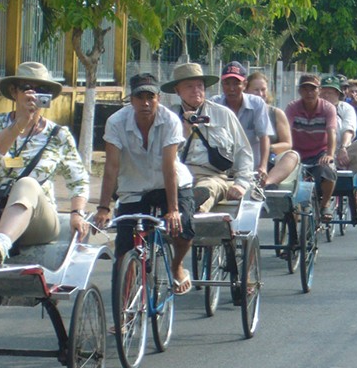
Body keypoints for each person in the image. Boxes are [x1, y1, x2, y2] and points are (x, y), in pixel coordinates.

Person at [0, 62, 90, 265]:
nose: (34, 94)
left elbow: (79, 179)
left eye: (42, 90)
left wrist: (77, 213)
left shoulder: (59, 135)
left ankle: (2, 243)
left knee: (27, 184)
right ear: (14, 92)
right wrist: (20, 123)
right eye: (28, 88)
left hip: (36, 219)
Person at [94, 73, 197, 295]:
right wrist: (104, 208)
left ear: (158, 98)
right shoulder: (116, 122)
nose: (146, 103)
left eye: (150, 97)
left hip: (171, 184)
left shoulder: (170, 120)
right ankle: (123, 314)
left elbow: (168, 167)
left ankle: (177, 266)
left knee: (183, 230)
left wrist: (173, 210)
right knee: (123, 252)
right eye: (140, 97)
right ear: (131, 100)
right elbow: (111, 167)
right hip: (133, 187)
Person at [163, 63, 255, 211]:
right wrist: (184, 132)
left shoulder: (223, 114)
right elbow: (160, 154)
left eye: (199, 86)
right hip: (176, 176)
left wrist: (241, 184)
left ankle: (193, 209)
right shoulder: (168, 117)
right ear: (177, 91)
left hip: (212, 177)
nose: (196, 91)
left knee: (207, 189)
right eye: (189, 86)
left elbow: (243, 151)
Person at [285, 74, 338, 222]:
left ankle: (325, 203)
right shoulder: (292, 108)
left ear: (319, 90)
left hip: (319, 153)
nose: (309, 93)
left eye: (312, 89)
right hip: (296, 153)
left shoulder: (328, 108)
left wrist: (330, 154)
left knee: (329, 171)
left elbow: (331, 132)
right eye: (305, 89)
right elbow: (285, 131)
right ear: (299, 91)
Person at [212, 61, 272, 182]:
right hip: (220, 171)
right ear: (222, 85)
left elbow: (264, 136)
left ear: (244, 85)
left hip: (250, 169)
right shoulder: (214, 104)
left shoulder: (257, 104)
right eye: (227, 84)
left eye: (236, 83)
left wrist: (263, 166)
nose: (231, 88)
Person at [245, 72, 300, 189]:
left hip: (271, 160)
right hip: (246, 157)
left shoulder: (276, 113)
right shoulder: (241, 112)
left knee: (292, 156)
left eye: (263, 90)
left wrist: (267, 148)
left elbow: (287, 144)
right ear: (246, 91)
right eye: (256, 90)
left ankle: (265, 185)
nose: (260, 94)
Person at [319, 75, 357, 174]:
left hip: (341, 152)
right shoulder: (316, 107)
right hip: (320, 153)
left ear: (338, 93)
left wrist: (343, 147)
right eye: (323, 92)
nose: (326, 95)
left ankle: (349, 181)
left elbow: (349, 130)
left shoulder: (346, 108)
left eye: (329, 92)